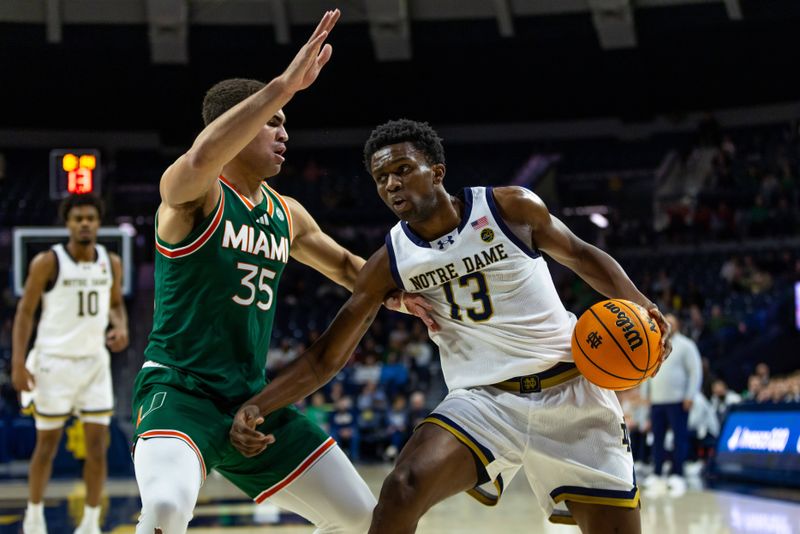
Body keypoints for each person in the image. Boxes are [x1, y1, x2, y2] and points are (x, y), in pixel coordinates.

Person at [229, 119, 672, 534]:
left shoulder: (509, 208)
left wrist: (644, 307)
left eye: (403, 170)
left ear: (437, 172)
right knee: (402, 487)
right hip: (485, 402)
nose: (392, 184)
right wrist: (258, 405)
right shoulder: (391, 262)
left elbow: (581, 254)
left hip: (571, 390)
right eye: (381, 179)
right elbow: (327, 356)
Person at [130, 11, 434, 534]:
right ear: (240, 124)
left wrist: (403, 299)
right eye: (273, 121)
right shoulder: (194, 197)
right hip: (180, 393)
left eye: (285, 122)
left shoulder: (286, 213)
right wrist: (283, 86)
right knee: (163, 510)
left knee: (364, 519)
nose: (284, 132)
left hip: (252, 400)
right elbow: (201, 157)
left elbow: (348, 267)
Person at [12, 194, 129, 534]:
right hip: (53, 362)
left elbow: (116, 304)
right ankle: (34, 516)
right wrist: (18, 362)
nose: (85, 224)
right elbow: (25, 312)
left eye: (90, 218)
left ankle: (91, 522)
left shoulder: (111, 262)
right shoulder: (48, 262)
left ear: (99, 223)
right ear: (68, 224)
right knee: (47, 445)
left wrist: (121, 326)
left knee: (97, 448)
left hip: (94, 362)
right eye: (78, 219)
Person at [641, 314, 702, 498]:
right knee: (657, 439)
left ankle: (677, 474)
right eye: (665, 322)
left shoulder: (686, 345)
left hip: (678, 400)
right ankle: (657, 473)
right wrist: (646, 395)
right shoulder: (654, 344)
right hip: (657, 401)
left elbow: (695, 371)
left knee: (679, 438)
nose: (667, 325)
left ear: (678, 325)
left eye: (672, 322)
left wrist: (690, 395)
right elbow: (648, 371)